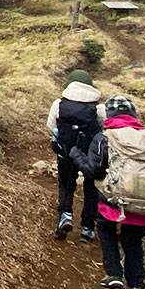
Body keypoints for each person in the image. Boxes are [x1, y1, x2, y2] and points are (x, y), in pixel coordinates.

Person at [70, 95, 145, 289]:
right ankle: (137, 286)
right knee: (132, 240)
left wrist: (76, 154)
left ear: (109, 116)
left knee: (105, 228)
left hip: (116, 203)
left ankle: (114, 273)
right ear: (135, 116)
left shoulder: (105, 138)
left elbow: (92, 170)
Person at [46, 70, 105, 242]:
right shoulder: (98, 108)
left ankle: (65, 215)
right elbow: (102, 132)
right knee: (91, 188)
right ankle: (87, 227)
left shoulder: (59, 104)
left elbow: (51, 126)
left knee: (66, 183)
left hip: (66, 152)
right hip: (90, 155)